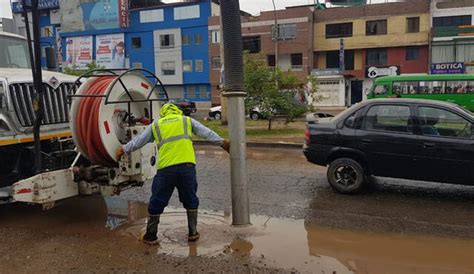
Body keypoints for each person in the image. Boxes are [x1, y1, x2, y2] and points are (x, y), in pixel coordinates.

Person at [116, 103, 230, 245]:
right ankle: (193, 233)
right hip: (187, 167)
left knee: (157, 200)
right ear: (177, 111)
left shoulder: (157, 125)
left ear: (163, 113)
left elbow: (139, 141)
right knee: (190, 199)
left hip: (166, 169)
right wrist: (223, 143)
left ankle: (151, 236)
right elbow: (206, 132)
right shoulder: (186, 120)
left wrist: (124, 149)